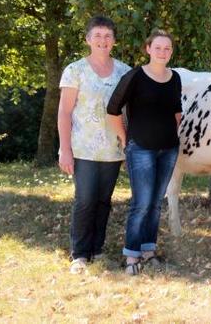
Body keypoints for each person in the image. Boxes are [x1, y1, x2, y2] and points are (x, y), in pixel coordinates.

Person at [57, 15, 131, 274]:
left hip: (113, 150)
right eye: (97, 35)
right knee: (86, 199)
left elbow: (128, 112)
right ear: (88, 39)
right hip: (83, 149)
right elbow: (65, 112)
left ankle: (97, 251)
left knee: (103, 201)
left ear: (114, 41)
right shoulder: (75, 70)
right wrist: (64, 149)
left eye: (108, 36)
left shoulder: (124, 71)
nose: (103, 40)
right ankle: (79, 254)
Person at [106, 29, 182, 275]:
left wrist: (174, 133)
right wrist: (126, 138)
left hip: (168, 149)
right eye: (158, 47)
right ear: (148, 49)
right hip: (141, 149)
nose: (163, 52)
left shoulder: (175, 78)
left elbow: (176, 111)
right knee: (141, 204)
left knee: (156, 203)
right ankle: (131, 256)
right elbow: (113, 109)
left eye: (167, 48)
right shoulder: (135, 76)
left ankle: (149, 251)